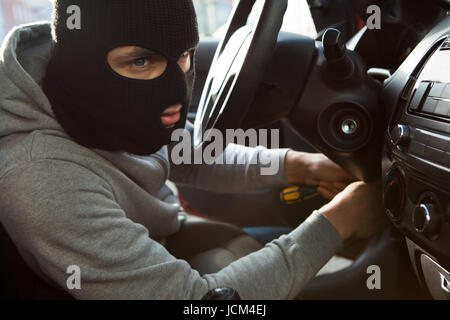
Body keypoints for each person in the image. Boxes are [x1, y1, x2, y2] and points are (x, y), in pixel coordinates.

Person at [0, 0, 385, 299]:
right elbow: (200, 302)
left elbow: (187, 153)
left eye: (183, 54)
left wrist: (302, 166)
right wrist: (341, 220)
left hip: (164, 238)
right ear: (85, 65)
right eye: (140, 60)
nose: (175, 84)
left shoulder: (97, 103)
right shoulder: (43, 177)